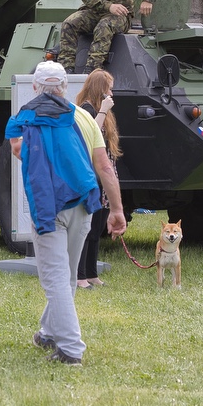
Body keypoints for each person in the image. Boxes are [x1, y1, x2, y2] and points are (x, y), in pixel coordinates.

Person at [5, 61, 127, 366]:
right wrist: (117, 209)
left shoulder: (23, 119)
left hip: (48, 207)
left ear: (35, 88)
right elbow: (105, 168)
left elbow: (19, 150)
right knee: (68, 276)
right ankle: (48, 332)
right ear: (64, 88)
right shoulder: (85, 117)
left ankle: (71, 348)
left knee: (56, 279)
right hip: (84, 202)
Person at [74, 69, 120, 289]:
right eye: (108, 88)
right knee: (86, 228)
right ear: (100, 89)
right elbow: (90, 134)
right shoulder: (86, 109)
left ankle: (91, 273)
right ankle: (80, 276)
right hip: (90, 175)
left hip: (101, 178)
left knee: (96, 229)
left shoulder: (103, 110)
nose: (111, 92)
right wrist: (102, 111)